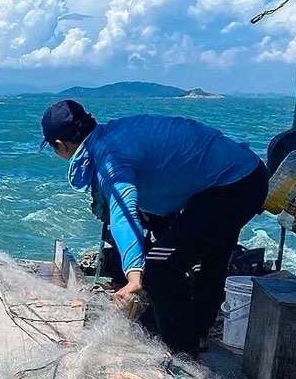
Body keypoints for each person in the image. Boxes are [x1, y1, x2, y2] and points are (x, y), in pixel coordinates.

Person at [40, 100, 268, 354]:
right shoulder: (114, 133)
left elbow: (123, 214)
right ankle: (196, 334)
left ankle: (183, 356)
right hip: (246, 174)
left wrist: (134, 276)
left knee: (160, 267)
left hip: (233, 186)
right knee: (211, 255)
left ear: (59, 146)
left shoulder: (110, 158)